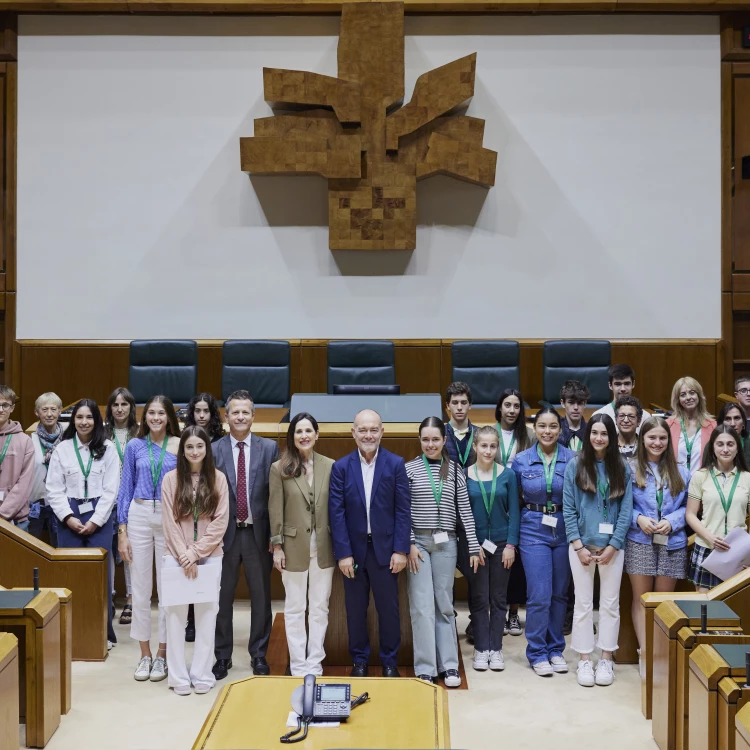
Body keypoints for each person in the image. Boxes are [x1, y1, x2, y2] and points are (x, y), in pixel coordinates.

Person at [328, 409, 410, 677]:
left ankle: (389, 662)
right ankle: (359, 661)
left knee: (389, 610)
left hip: (386, 551)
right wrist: (343, 554)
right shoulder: (340, 468)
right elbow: (336, 514)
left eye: (373, 429)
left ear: (382, 432)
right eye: (362, 430)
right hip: (353, 552)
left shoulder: (396, 464)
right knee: (354, 610)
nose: (368, 435)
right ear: (353, 433)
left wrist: (400, 549)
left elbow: (402, 510)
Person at [406, 417, 480, 688]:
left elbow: (465, 513)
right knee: (422, 606)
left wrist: (473, 545)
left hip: (447, 543)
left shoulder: (455, 471)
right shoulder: (410, 470)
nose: (430, 444)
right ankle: (425, 666)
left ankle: (449, 665)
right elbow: (402, 512)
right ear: (420, 440)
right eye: (425, 439)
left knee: (444, 605)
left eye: (435, 439)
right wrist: (410, 543)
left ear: (444, 440)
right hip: (419, 546)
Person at [212, 390, 279, 680]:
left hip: (257, 533)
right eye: (235, 412)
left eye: (245, 412)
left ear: (253, 416)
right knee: (221, 598)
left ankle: (259, 654)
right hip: (224, 535)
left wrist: (276, 538)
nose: (240, 417)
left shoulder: (269, 448)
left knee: (261, 598)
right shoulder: (213, 449)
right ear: (226, 417)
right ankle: (222, 656)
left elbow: (274, 496)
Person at [563, 414, 633, 688]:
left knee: (610, 605)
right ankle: (584, 659)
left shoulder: (622, 467)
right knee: (582, 605)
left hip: (612, 548)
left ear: (611, 437)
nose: (599, 438)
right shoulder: (575, 465)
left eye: (604, 433)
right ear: (588, 435)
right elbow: (568, 509)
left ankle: (605, 658)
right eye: (595, 433)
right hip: (581, 546)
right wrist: (577, 545)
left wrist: (614, 545)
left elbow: (626, 511)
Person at [161, 426, 229, 696]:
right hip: (175, 557)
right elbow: (169, 521)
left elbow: (220, 522)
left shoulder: (219, 479)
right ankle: (178, 677)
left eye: (199, 446)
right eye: (189, 447)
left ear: (207, 449)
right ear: (183, 450)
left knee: (207, 614)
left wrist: (196, 552)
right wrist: (183, 554)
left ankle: (202, 672)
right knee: (175, 617)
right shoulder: (170, 479)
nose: (194, 451)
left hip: (211, 556)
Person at [117, 395, 180, 682]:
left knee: (168, 592)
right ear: (144, 417)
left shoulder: (179, 445)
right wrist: (123, 531)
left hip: (168, 517)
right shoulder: (134, 446)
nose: (156, 418)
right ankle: (144, 654)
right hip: (139, 513)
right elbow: (125, 488)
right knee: (141, 590)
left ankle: (163, 656)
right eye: (151, 413)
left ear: (169, 417)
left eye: (161, 413)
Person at [46, 399, 120, 645]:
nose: (84, 422)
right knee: (71, 575)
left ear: (96, 421)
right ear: (73, 420)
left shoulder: (108, 448)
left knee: (101, 578)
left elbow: (112, 490)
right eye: (79, 418)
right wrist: (68, 518)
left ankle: (103, 633)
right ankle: (71, 632)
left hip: (99, 515)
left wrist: (96, 521)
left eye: (89, 417)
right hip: (70, 515)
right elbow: (54, 490)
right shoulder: (62, 449)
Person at [269, 413, 335, 676]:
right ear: (292, 437)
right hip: (292, 547)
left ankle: (314, 662)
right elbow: (276, 510)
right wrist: (277, 547)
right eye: (299, 431)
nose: (304, 435)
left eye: (309, 431)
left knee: (320, 607)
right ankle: (298, 664)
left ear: (317, 435)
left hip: (324, 547)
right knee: (295, 607)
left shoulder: (331, 466)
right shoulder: (279, 468)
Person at [512, 407, 575, 676]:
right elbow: (514, 502)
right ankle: (537, 651)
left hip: (564, 527)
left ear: (560, 430)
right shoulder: (521, 461)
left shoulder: (573, 459)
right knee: (539, 594)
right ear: (534, 429)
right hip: (533, 528)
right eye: (542, 426)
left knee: (560, 593)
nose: (547, 431)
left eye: (552, 426)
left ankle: (555, 649)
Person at [625, 416, 689, 652]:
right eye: (652, 437)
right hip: (639, 540)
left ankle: (660, 654)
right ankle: (645, 652)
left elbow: (690, 508)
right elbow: (620, 505)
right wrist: (638, 518)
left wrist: (672, 522)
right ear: (642, 440)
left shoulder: (681, 470)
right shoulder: (630, 468)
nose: (657, 442)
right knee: (641, 599)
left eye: (662, 438)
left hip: (672, 542)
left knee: (664, 602)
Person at [466, 425, 517, 673]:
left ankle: (495, 648)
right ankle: (480, 648)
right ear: (475, 446)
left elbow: (515, 514)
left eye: (493, 446)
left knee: (498, 598)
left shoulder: (507, 475)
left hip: (500, 545)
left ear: (498, 448)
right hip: (475, 547)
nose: (488, 450)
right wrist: (470, 547)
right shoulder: (465, 475)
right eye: (483, 445)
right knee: (478, 598)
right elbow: (461, 516)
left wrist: (510, 545)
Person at [685, 425, 750, 592]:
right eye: (720, 444)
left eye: (730, 444)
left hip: (739, 552)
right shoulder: (700, 476)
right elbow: (691, 514)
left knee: (736, 608)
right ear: (712, 447)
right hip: (707, 547)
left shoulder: (747, 478)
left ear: (738, 447)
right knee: (704, 609)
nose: (725, 449)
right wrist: (710, 537)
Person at [183, 394, 224, 640]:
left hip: (210, 514)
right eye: (197, 410)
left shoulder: (220, 441)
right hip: (189, 515)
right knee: (187, 573)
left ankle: (207, 621)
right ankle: (190, 621)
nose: (201, 415)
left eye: (205, 411)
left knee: (209, 581)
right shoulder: (186, 438)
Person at [494, 389, 534, 636]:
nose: (511, 410)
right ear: (499, 408)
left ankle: (513, 614)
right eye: (507, 405)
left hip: (520, 502)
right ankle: (494, 611)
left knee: (517, 562)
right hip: (494, 502)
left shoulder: (529, 435)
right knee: (496, 560)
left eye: (516, 406)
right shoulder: (487, 433)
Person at [105, 387, 139, 626]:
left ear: (131, 408)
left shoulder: (140, 433)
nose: (119, 409)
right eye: (115, 405)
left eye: (124, 405)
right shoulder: (102, 432)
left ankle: (130, 598)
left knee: (129, 553)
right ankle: (109, 596)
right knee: (107, 550)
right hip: (107, 500)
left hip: (132, 499)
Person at [28, 392, 64, 546]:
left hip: (60, 503)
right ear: (37, 412)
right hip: (36, 504)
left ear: (60, 411)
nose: (49, 414)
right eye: (44, 409)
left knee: (59, 549)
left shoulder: (67, 440)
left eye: (53, 409)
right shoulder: (29, 439)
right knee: (30, 548)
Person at [0, 385, 35, 531]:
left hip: (16, 520)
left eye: (5, 405)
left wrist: (2, 514)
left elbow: (24, 484)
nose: (0, 409)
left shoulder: (24, 441)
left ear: (12, 408)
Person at [666, 377, 717, 477]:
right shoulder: (668, 425)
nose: (688, 397)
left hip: (702, 483)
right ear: (678, 399)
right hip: (676, 484)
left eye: (692, 392)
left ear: (699, 395)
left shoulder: (712, 425)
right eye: (683, 395)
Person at [593, 364, 650, 428]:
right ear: (610, 385)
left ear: (633, 384)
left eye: (627, 384)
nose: (623, 389)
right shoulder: (598, 416)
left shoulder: (645, 418)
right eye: (618, 384)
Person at [444, 382, 476, 470]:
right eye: (455, 403)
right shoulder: (440, 433)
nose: (459, 407)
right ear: (448, 406)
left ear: (470, 405)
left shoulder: (480, 434)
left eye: (463, 402)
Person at [559, 380, 589, 453]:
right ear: (563, 403)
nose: (576, 407)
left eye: (579, 403)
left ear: (584, 403)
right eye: (571, 402)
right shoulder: (556, 431)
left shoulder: (591, 431)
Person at [718, 402, 750, 467]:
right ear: (721, 423)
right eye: (728, 419)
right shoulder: (712, 444)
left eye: (737, 418)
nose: (732, 424)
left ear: (743, 422)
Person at [616, 396, 643, 462]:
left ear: (638, 421)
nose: (625, 420)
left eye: (631, 416)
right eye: (622, 416)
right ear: (616, 419)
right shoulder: (608, 444)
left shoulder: (645, 446)